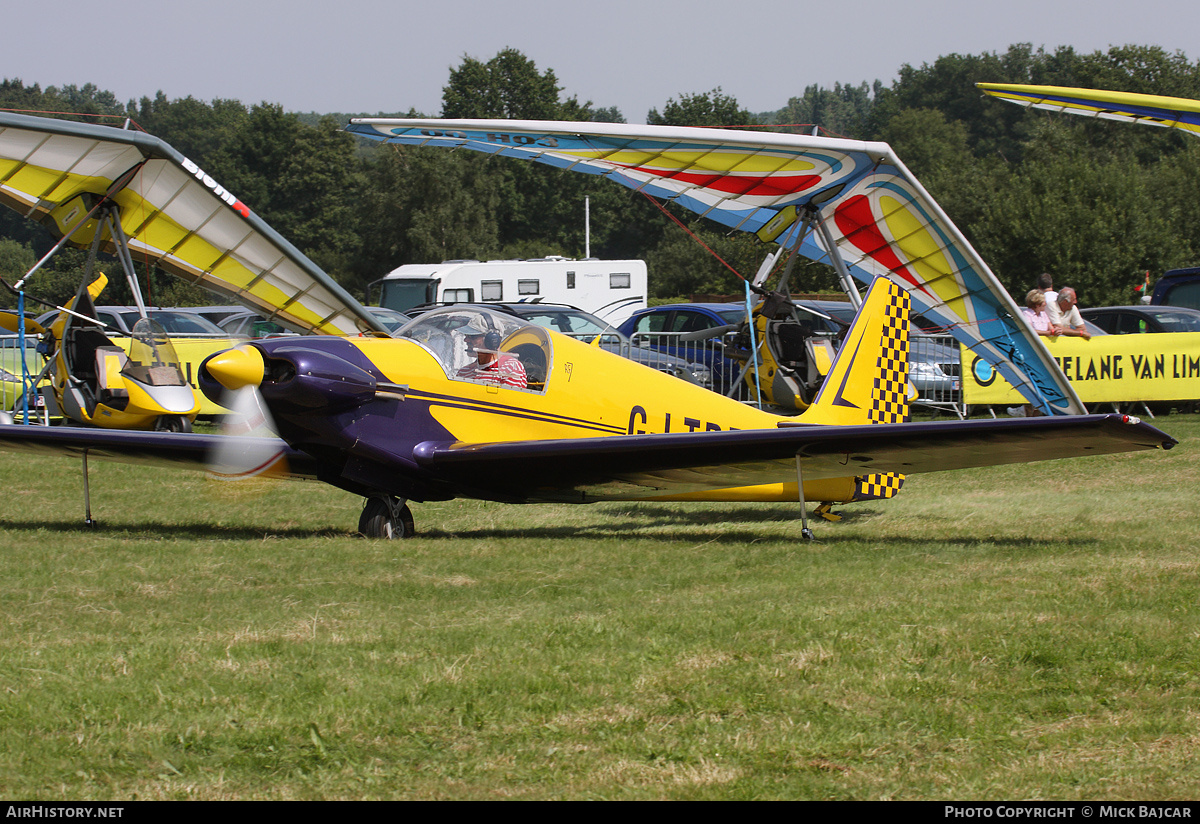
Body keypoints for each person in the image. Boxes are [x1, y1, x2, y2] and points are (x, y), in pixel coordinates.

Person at [455, 318, 528, 389]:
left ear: (492, 340)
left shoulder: (511, 368)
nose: (466, 340)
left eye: (472, 336)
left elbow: (506, 399)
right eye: (466, 336)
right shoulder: (464, 372)